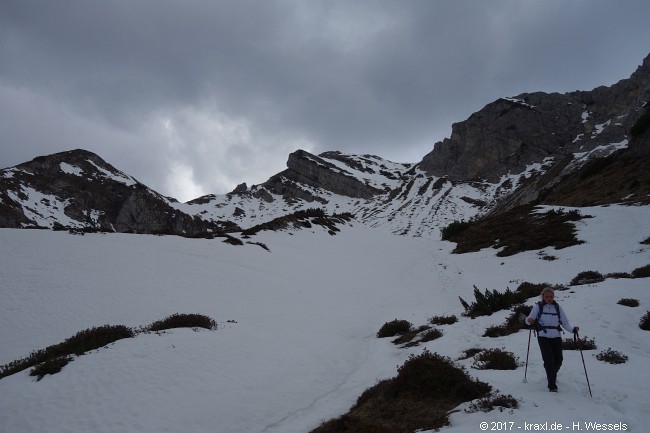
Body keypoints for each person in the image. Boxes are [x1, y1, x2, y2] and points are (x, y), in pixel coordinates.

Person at [526, 287, 579, 392]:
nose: (549, 298)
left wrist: (573, 330)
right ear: (543, 297)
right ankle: (552, 385)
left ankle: (551, 374)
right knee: (549, 360)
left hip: (556, 336)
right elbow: (528, 320)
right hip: (543, 336)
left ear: (553, 297)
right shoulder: (538, 307)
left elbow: (565, 323)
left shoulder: (558, 308)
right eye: (547, 297)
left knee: (559, 360)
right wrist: (529, 320)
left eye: (551, 296)